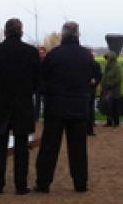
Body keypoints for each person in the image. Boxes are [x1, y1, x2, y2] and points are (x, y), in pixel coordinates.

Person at [34, 21, 97, 193]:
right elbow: (95, 75)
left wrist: (48, 93)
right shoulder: (86, 56)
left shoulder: (53, 55)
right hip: (79, 107)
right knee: (78, 148)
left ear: (63, 34)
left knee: (49, 147)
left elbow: (42, 78)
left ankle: (43, 182)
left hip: (55, 107)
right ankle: (80, 183)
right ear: (78, 34)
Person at [0, 18, 41, 195]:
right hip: (23, 103)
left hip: (1, 103)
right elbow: (37, 79)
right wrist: (26, 93)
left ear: (5, 31)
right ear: (21, 31)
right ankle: (20, 185)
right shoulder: (31, 52)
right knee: (22, 145)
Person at [100, 51, 122, 127]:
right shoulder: (107, 67)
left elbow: (118, 79)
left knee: (115, 107)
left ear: (112, 58)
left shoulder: (116, 67)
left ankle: (116, 122)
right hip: (106, 91)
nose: (107, 59)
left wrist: (109, 84)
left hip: (114, 91)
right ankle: (109, 122)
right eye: (106, 58)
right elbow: (104, 77)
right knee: (108, 107)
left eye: (108, 58)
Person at [32, 45, 48, 131]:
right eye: (40, 52)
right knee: (36, 103)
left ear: (45, 53)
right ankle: (36, 118)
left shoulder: (48, 61)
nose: (41, 54)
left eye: (43, 52)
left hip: (45, 86)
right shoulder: (36, 61)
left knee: (46, 104)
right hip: (38, 86)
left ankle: (45, 119)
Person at [88, 48, 102, 136]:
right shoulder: (84, 64)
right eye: (91, 55)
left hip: (92, 88)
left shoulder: (97, 65)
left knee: (91, 107)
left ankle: (91, 125)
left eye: (93, 55)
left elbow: (99, 76)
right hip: (84, 89)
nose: (92, 56)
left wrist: (95, 81)